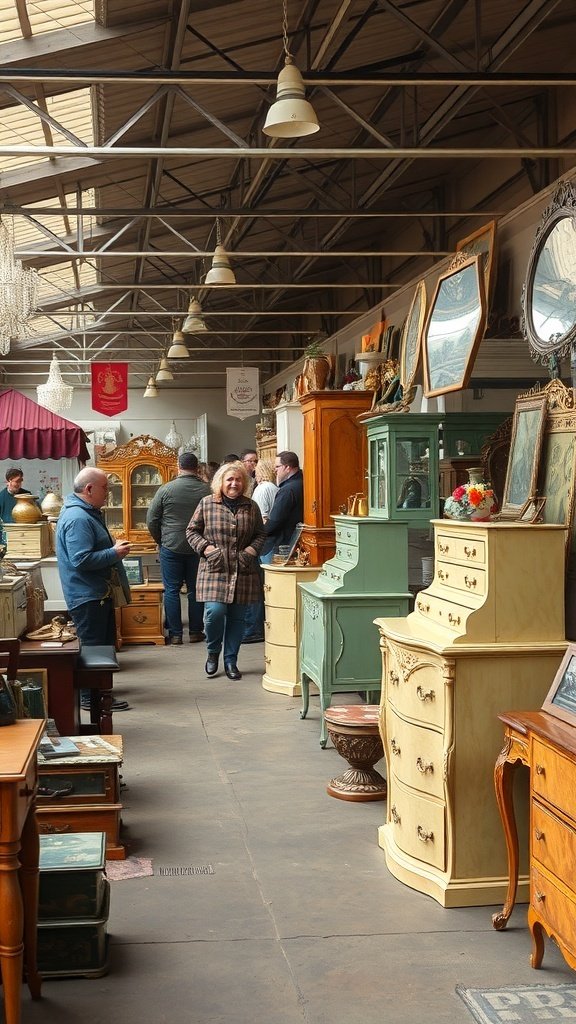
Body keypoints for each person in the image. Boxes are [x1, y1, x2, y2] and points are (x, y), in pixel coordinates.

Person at [56, 467, 132, 711]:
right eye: (105, 488)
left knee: (101, 645)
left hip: (94, 593)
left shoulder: (85, 513)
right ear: (89, 489)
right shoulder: (78, 518)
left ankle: (98, 692)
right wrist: (114, 552)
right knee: (94, 646)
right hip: (88, 595)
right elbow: (81, 559)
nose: (108, 493)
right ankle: (90, 698)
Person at [186, 462, 265, 680]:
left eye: (238, 479)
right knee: (214, 613)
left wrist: (249, 551)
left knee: (238, 619)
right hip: (215, 568)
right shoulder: (206, 503)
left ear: (244, 483)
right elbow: (192, 531)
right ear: (220, 482)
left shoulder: (251, 506)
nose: (234, 483)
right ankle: (213, 653)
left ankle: (231, 660)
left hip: (242, 569)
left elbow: (260, 534)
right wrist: (207, 548)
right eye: (229, 479)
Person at [146, 452, 210, 645]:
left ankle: (175, 634)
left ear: (178, 466)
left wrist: (161, 539)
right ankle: (196, 632)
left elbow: (151, 519)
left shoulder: (166, 490)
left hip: (171, 545)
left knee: (171, 590)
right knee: (195, 590)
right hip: (197, 546)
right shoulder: (206, 490)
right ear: (197, 467)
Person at [242, 459, 279, 644]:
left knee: (259, 587)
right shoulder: (274, 488)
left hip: (264, 544)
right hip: (272, 542)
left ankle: (254, 629)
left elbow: (262, 519)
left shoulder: (263, 489)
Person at [261, 451, 304, 564]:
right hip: (294, 542)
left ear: (287, 468)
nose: (275, 470)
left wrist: (260, 532)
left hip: (280, 544)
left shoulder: (288, 490)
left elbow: (275, 520)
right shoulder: (304, 482)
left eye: (277, 467)